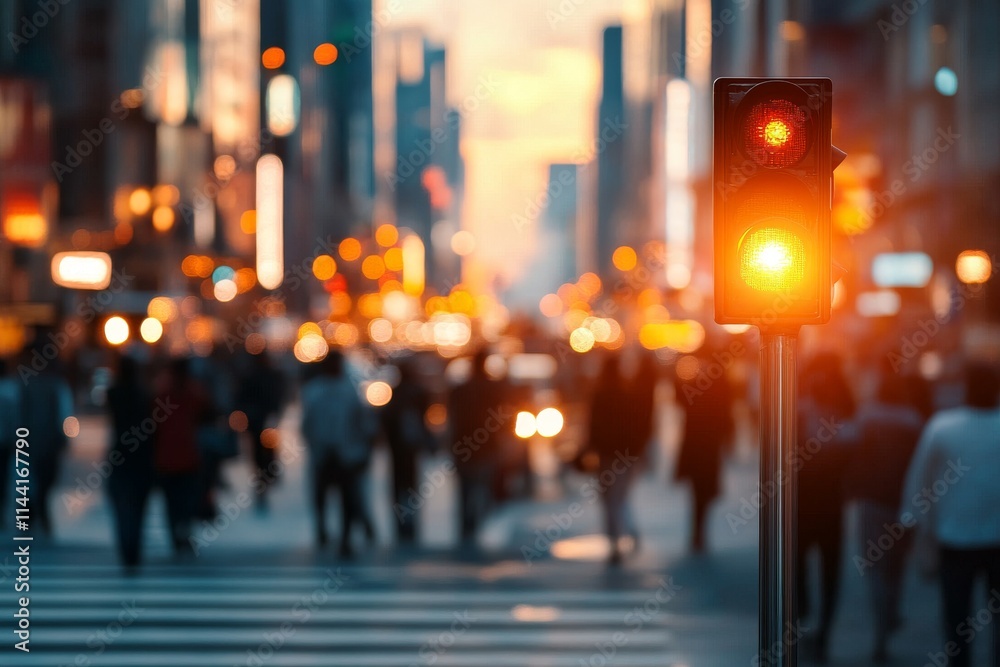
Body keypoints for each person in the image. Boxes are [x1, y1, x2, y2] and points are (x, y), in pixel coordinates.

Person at [902, 363, 1000, 667]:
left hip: (954, 539)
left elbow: (920, 482)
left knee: (957, 621)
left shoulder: (943, 426)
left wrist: (916, 527)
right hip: (996, 540)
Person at [845, 370, 925, 662]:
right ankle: (890, 613)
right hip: (903, 502)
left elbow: (853, 455)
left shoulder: (867, 417)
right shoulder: (913, 420)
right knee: (896, 566)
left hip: (871, 501)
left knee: (874, 566)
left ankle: (881, 625)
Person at [796, 351, 856, 663]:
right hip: (828, 501)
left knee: (800, 566)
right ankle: (821, 632)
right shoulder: (844, 403)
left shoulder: (801, 405)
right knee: (829, 572)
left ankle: (805, 622)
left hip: (805, 499)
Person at [301, 351, 377, 557]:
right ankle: (323, 531)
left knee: (346, 498)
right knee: (324, 496)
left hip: (344, 454)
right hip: (326, 453)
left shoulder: (346, 390)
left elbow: (361, 421)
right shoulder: (316, 391)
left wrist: (362, 446)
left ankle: (345, 538)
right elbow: (307, 424)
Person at [673, 347, 735, 554]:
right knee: (701, 492)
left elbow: (680, 399)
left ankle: (698, 532)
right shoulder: (716, 385)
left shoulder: (706, 385)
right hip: (705, 447)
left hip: (700, 447)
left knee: (699, 492)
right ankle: (699, 532)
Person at [584, 354, 642, 565]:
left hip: (608, 456)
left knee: (610, 500)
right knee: (620, 497)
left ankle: (616, 541)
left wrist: (590, 449)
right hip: (625, 456)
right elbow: (637, 428)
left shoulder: (601, 395)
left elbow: (592, 427)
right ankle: (627, 533)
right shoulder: (628, 394)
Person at [448, 349, 507, 545]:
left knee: (466, 492)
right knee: (482, 489)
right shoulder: (490, 389)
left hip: (465, 448)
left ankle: (467, 528)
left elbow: (453, 420)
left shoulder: (462, 390)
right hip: (483, 447)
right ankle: (476, 526)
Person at [153, 357, 209, 555]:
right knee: (186, 500)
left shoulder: (163, 392)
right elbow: (206, 411)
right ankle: (183, 533)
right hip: (187, 455)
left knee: (172, 502)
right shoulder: (192, 392)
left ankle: (176, 535)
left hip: (167, 456)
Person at [105, 356, 155, 568]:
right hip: (142, 458)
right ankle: (134, 549)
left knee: (123, 508)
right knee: (139, 508)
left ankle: (127, 548)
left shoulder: (114, 394)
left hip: (120, 455)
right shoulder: (145, 395)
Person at [19, 353, 73, 537]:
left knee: (33, 478)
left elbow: (22, 414)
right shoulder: (56, 386)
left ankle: (33, 512)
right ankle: (38, 511)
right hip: (48, 441)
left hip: (32, 441)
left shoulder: (28, 385)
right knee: (44, 479)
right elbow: (64, 414)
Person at [380, 358, 433, 544]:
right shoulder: (410, 393)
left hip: (404, 448)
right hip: (403, 447)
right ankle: (406, 521)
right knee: (407, 485)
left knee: (403, 485)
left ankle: (404, 521)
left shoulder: (406, 393)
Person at [238, 352, 286, 512]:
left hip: (261, 424)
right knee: (263, 455)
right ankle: (265, 479)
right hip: (259, 424)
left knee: (264, 455)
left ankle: (265, 478)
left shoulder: (255, 376)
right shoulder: (261, 376)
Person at [0, 361, 21, 529]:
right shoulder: (10, 389)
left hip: (5, 441)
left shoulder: (9, 389)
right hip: (5, 441)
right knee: (4, 477)